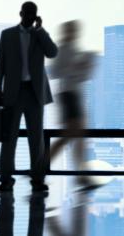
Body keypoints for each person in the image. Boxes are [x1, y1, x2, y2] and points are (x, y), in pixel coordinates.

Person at [0, 1, 58, 193]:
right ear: (21, 13)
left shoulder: (39, 35)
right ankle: (5, 179)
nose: (30, 16)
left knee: (36, 139)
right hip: (13, 93)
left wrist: (41, 30)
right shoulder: (8, 35)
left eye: (33, 13)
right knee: (8, 139)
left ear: (36, 15)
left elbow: (52, 52)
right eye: (27, 13)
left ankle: (37, 180)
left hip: (35, 93)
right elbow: (0, 66)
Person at [49, 20, 96, 189]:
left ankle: (80, 175)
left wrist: (83, 68)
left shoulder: (75, 50)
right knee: (71, 135)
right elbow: (54, 72)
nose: (75, 33)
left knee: (76, 136)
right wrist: (73, 68)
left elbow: (82, 76)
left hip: (73, 95)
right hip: (68, 95)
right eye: (72, 30)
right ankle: (40, 168)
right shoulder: (62, 50)